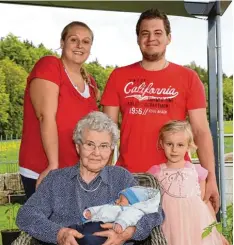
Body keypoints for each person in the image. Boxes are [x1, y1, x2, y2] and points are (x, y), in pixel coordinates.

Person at [101, 8, 219, 213]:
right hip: (130, 177)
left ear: (169, 38)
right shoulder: (119, 76)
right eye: (145, 33)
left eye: (158, 33)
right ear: (138, 39)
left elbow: (200, 131)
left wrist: (211, 179)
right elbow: (106, 133)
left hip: (178, 178)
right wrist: (104, 177)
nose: (151, 38)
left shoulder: (188, 78)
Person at [16, 111, 164, 245]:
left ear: (111, 149)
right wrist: (58, 234)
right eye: (90, 144)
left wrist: (127, 233)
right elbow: (27, 215)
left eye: (104, 146)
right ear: (78, 147)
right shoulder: (56, 180)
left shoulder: (121, 177)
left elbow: (155, 212)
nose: (96, 153)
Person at [19, 21, 99, 199]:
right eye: (74, 40)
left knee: (76, 227)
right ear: (62, 43)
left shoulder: (91, 83)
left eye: (86, 42)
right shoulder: (50, 66)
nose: (80, 46)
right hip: (44, 168)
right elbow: (45, 116)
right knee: (49, 226)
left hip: (75, 174)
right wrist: (53, 165)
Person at [147, 120, 229, 245]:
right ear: (162, 144)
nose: (174, 149)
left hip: (195, 226)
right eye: (170, 144)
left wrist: (218, 233)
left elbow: (204, 204)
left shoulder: (197, 172)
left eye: (180, 145)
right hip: (169, 225)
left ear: (188, 146)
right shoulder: (155, 172)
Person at [81, 186, 161, 234]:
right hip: (89, 223)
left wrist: (121, 223)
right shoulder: (115, 206)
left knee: (90, 238)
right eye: (118, 199)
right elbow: (102, 207)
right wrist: (91, 211)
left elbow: (129, 216)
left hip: (103, 228)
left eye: (121, 200)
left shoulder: (133, 210)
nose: (116, 201)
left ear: (132, 203)